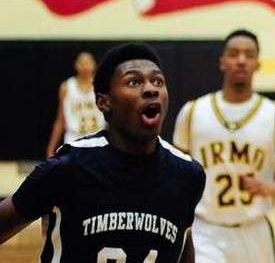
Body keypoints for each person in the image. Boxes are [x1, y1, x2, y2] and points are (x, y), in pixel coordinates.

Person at [0, 43, 205, 262]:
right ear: (103, 102)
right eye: (133, 81)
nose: (151, 89)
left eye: (157, 81)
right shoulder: (64, 168)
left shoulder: (188, 174)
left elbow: (184, 250)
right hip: (78, 138)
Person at [173, 30, 275, 263]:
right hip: (205, 230)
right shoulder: (193, 112)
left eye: (249, 55)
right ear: (222, 61)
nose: (241, 60)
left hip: (254, 230)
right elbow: (174, 175)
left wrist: (267, 188)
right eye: (234, 54)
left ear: (257, 63)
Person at [45, 51, 106, 157]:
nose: (85, 66)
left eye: (88, 63)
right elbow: (61, 119)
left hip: (97, 138)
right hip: (73, 138)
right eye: (82, 63)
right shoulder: (67, 86)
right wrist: (51, 147)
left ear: (94, 65)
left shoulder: (101, 85)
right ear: (76, 65)